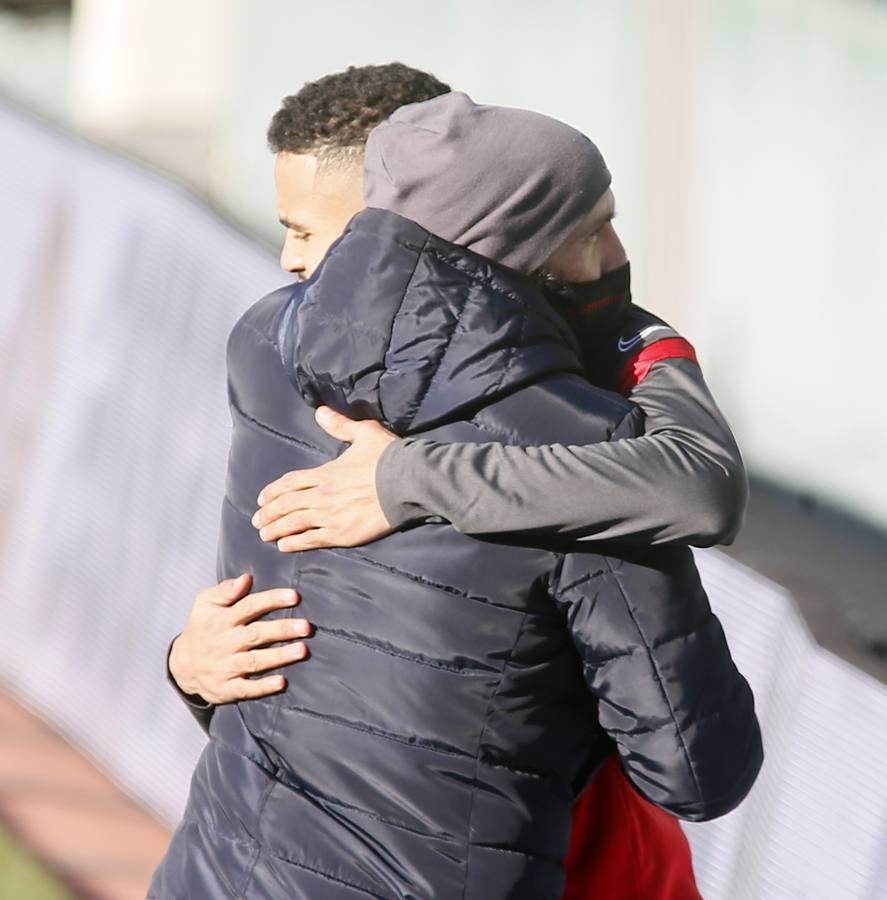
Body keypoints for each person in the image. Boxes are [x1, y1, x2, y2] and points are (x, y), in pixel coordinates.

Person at [151, 81, 761, 898]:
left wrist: (190, 671)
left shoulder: (266, 343)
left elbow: (303, 683)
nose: (296, 262)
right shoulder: (592, 445)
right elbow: (698, 770)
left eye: (308, 232)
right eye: (595, 227)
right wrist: (652, 348)